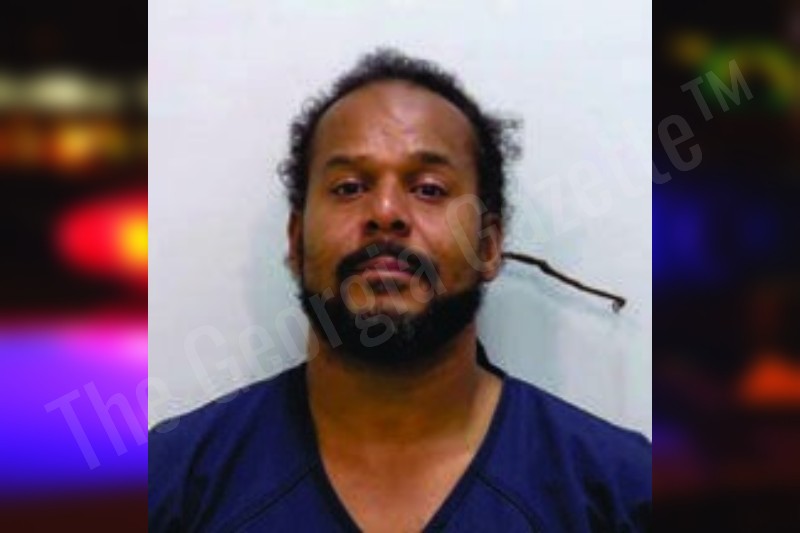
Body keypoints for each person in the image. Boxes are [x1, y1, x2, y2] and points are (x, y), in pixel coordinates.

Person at [149, 49, 651, 532]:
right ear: (296, 241)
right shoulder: (168, 485)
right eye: (349, 187)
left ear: (488, 246)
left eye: (429, 188)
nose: (385, 212)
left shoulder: (623, 492)